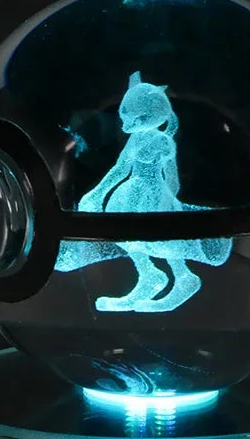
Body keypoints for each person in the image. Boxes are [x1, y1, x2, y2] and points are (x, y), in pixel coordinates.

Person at [55, 71, 232, 313]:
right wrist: (98, 193)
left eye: (133, 118)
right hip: (130, 195)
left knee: (162, 239)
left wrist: (167, 203)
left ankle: (183, 278)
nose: (126, 124)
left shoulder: (162, 142)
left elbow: (171, 177)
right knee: (129, 236)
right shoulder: (135, 140)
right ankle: (149, 275)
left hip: (153, 196)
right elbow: (120, 169)